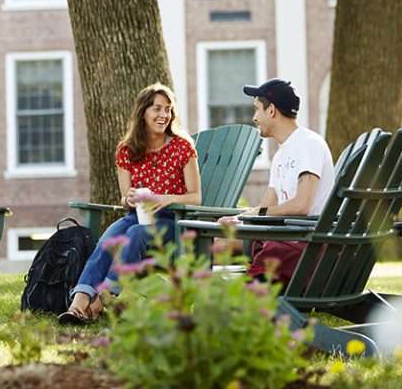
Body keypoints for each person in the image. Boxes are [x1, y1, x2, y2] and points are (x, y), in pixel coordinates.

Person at [58, 83, 201, 325]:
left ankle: (99, 303)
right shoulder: (126, 150)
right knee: (108, 241)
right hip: (137, 216)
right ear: (143, 112)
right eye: (157, 109)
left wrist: (167, 198)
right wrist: (130, 198)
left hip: (172, 221)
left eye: (168, 109)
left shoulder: (182, 147)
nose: (163, 115)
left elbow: (196, 196)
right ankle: (77, 305)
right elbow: (125, 199)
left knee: (134, 233)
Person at [218, 78, 334, 287]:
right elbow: (266, 205)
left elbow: (302, 205)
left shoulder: (308, 144)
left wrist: (258, 215)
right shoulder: (281, 155)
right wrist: (238, 218)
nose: (254, 118)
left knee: (246, 292)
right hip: (284, 238)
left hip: (306, 246)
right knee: (220, 241)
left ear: (271, 110)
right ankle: (192, 295)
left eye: (256, 110)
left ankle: (233, 298)